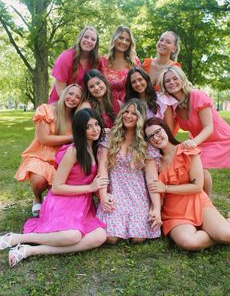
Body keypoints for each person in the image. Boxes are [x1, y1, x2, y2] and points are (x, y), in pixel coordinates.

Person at [0, 109, 108, 267]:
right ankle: (18, 238)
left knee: (100, 236)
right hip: (62, 201)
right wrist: (90, 187)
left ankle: (30, 250)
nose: (95, 129)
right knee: (73, 236)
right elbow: (57, 187)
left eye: (97, 124)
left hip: (82, 205)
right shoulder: (73, 151)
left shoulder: (97, 149)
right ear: (79, 129)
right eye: (88, 127)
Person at [144, 117, 230, 251]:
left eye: (158, 131)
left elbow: (197, 187)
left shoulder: (187, 149)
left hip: (197, 201)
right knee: (189, 242)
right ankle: (214, 231)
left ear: (166, 129)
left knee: (228, 235)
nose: (156, 138)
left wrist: (165, 188)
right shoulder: (155, 161)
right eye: (150, 136)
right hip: (174, 211)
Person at [159, 65, 230, 196]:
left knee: (200, 166)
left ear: (182, 80)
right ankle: (199, 199)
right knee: (189, 165)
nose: (172, 82)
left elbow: (209, 127)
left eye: (175, 78)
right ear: (164, 86)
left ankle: (207, 202)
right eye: (167, 81)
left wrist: (194, 142)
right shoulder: (173, 106)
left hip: (220, 138)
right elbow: (170, 130)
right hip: (200, 140)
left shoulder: (197, 95)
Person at [96, 99, 162, 244]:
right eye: (126, 111)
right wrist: (103, 196)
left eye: (134, 114)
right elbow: (103, 170)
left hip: (137, 195)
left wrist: (156, 208)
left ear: (141, 118)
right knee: (111, 238)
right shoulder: (111, 137)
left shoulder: (146, 143)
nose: (128, 116)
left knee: (139, 238)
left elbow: (152, 179)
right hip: (116, 192)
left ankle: (141, 216)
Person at [15, 84, 82, 216]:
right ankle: (37, 196)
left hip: (61, 161)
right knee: (39, 181)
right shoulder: (46, 110)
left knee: (58, 208)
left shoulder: (76, 120)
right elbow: (44, 139)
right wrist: (72, 137)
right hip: (39, 157)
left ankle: (50, 198)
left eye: (77, 97)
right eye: (70, 93)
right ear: (64, 93)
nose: (73, 98)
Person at [48, 26, 99, 103]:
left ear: (96, 44)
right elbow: (60, 91)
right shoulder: (65, 57)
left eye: (93, 39)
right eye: (86, 37)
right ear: (80, 38)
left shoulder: (95, 61)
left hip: (79, 104)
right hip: (59, 103)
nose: (89, 41)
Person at [125, 67, 178, 133]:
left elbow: (169, 129)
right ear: (130, 85)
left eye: (140, 79)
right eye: (133, 82)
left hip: (159, 140)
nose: (138, 84)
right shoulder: (129, 105)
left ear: (146, 79)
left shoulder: (162, 99)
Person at [99, 25, 141, 102]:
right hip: (107, 105)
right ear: (114, 39)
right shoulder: (103, 61)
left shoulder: (134, 62)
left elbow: (140, 86)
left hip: (129, 106)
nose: (124, 42)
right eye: (121, 38)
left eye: (127, 40)